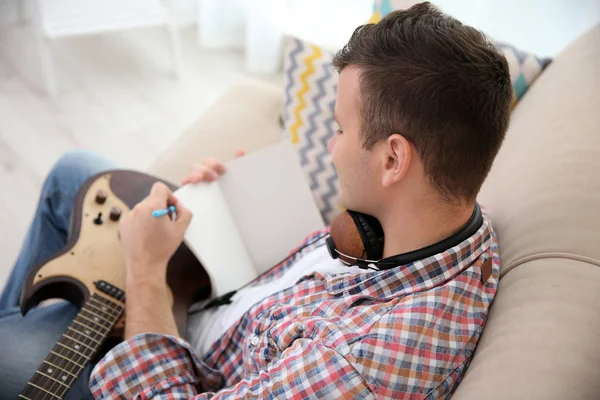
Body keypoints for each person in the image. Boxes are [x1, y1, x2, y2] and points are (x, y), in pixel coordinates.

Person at [0, 3, 513, 399]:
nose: (330, 148)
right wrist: (235, 204)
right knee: (74, 171)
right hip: (237, 295)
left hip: (174, 352)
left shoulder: (359, 366)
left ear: (393, 160)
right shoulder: (451, 222)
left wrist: (145, 271)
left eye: (339, 130)